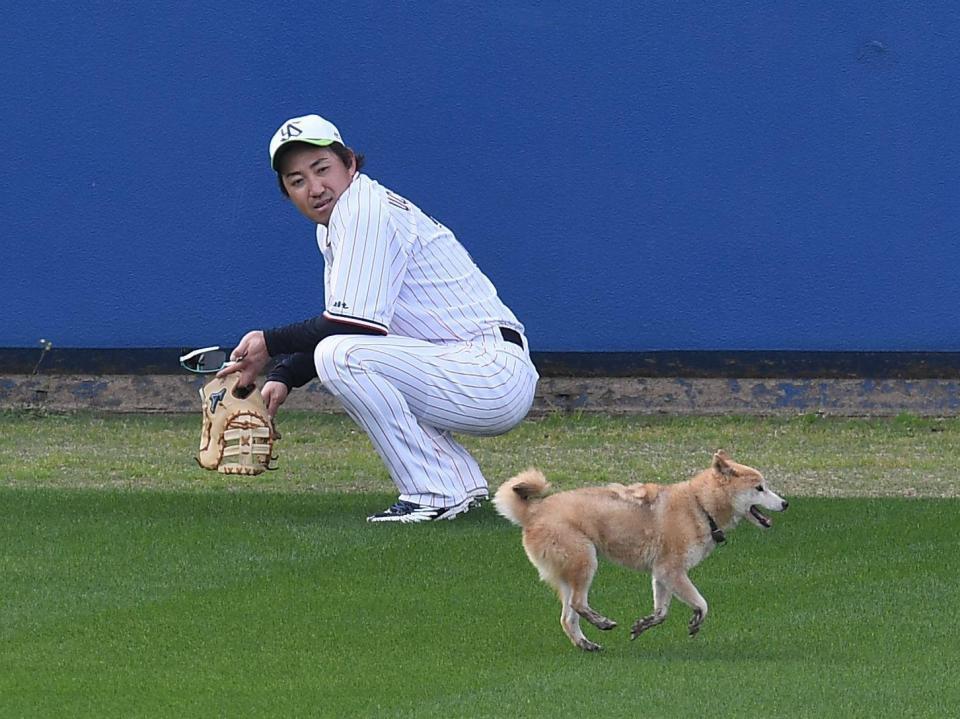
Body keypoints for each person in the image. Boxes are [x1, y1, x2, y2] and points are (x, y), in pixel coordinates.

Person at [218, 114, 539, 523]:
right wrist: (284, 374)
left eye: (322, 169)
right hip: (466, 364)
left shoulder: (363, 209)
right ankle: (454, 484)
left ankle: (436, 490)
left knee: (340, 355)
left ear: (350, 163)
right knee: (340, 351)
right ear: (286, 192)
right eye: (297, 180)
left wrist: (269, 344)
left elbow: (350, 330)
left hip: (488, 371)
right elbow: (356, 323)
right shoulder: (343, 219)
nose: (315, 188)